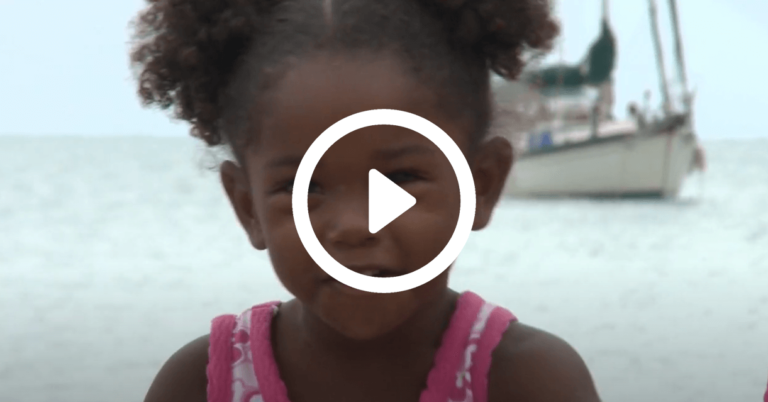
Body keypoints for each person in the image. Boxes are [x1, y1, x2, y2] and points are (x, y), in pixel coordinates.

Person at [130, 0, 601, 401]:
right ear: (247, 207)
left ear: (481, 185)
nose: (354, 225)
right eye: (303, 187)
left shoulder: (529, 383)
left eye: (400, 177)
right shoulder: (201, 386)